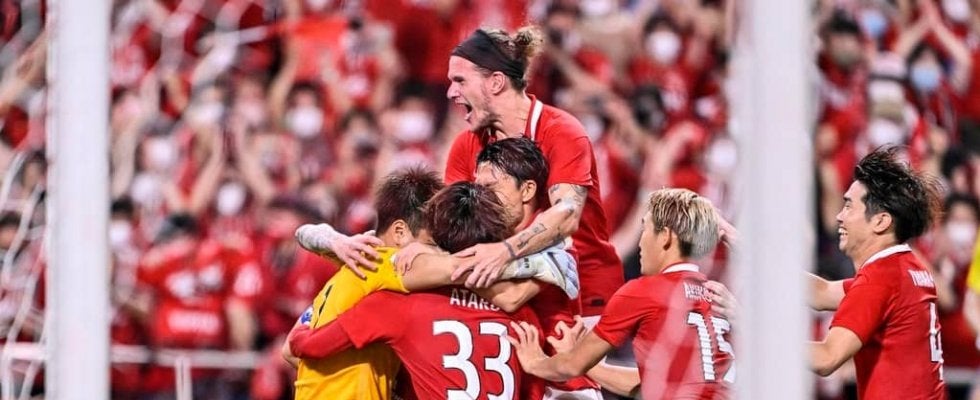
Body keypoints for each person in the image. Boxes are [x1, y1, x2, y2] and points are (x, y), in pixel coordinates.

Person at [285, 167, 575, 400]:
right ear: (400, 232)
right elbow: (466, 270)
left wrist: (331, 239)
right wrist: (545, 263)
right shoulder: (392, 270)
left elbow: (292, 349)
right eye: (431, 241)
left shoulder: (362, 272)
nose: (435, 248)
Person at [439, 26, 624, 321]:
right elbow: (449, 224)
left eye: (460, 80)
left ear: (496, 82)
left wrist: (504, 251)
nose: (451, 92)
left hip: (584, 294)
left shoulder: (561, 131)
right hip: (511, 289)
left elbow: (566, 214)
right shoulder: (466, 145)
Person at [508, 188, 734, 399]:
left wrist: (536, 362)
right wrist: (587, 364)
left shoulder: (644, 291)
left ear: (665, 236)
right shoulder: (715, 296)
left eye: (645, 229)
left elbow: (571, 366)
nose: (640, 243)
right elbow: (649, 384)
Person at [808, 147, 946, 399]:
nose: (839, 216)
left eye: (848, 206)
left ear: (881, 221)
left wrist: (750, 327)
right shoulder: (907, 267)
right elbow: (821, 292)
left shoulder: (881, 278)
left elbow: (827, 358)